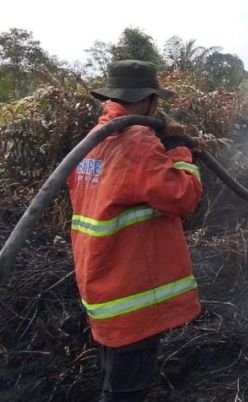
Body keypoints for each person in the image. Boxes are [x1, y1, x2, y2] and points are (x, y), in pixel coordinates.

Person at [67, 60, 203, 401]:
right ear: (149, 100)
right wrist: (178, 151)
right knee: (125, 394)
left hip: (102, 286)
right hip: (131, 295)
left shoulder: (94, 141)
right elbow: (182, 197)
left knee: (115, 382)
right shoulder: (136, 141)